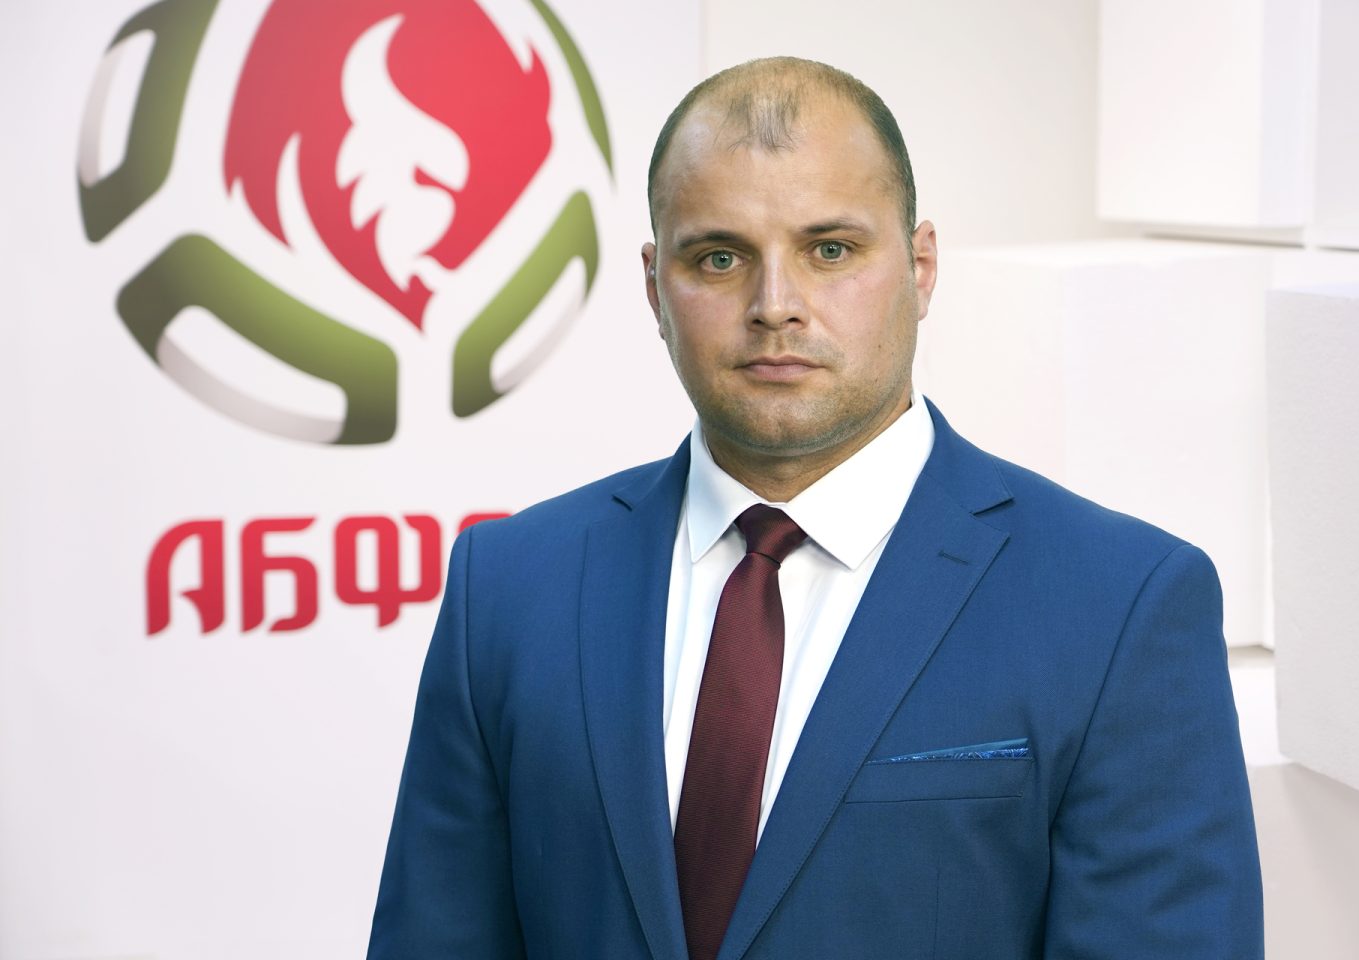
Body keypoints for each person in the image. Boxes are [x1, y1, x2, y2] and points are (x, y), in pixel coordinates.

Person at [367, 57, 1263, 959]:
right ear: (654, 287)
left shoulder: (1119, 605)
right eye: (719, 258)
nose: (775, 307)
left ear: (921, 267)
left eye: (829, 250)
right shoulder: (508, 588)